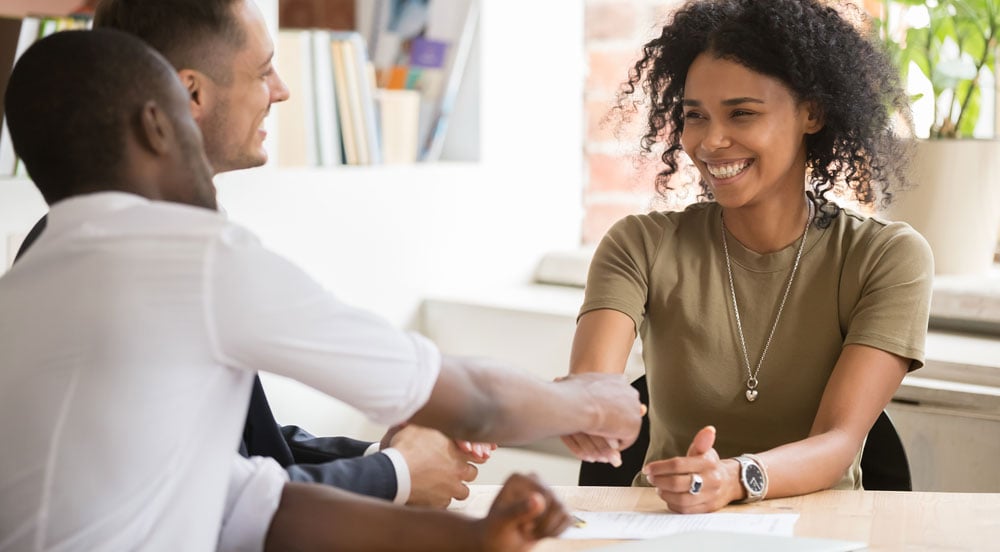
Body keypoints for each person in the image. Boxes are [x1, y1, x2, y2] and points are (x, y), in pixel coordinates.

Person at [0, 29, 642, 550]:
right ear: (158, 125)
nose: (279, 92)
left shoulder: (23, 290)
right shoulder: (191, 257)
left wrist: (470, 537)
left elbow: (254, 504)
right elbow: (473, 400)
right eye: (264, 70)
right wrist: (592, 402)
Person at [12, 0, 490, 508]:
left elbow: (247, 446)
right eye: (264, 72)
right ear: (189, 93)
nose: (282, 91)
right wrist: (396, 474)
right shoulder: (156, 262)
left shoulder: (87, 239)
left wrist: (385, 453)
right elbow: (217, 503)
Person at [561, 0, 933, 514]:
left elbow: (840, 439)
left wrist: (736, 478)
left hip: (818, 529)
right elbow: (595, 384)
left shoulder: (887, 258)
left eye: (742, 113)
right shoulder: (638, 245)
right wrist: (583, 407)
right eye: (695, 116)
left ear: (812, 112)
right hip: (666, 530)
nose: (710, 141)